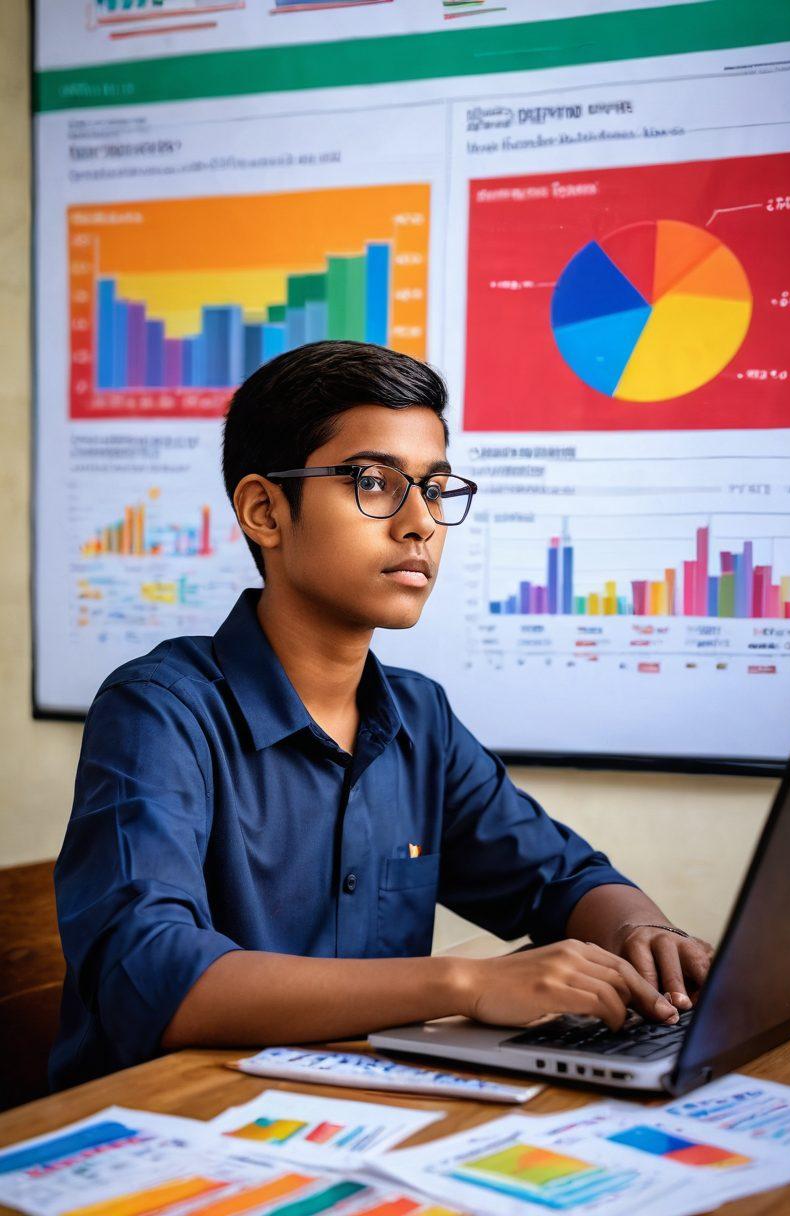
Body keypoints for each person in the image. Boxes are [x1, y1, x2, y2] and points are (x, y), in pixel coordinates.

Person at [50, 340, 713, 1089]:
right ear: (265, 510)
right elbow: (149, 973)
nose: (420, 523)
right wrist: (465, 984)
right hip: (174, 1118)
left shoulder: (419, 717)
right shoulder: (161, 712)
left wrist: (643, 933)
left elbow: (561, 879)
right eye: (373, 481)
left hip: (362, 1110)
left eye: (434, 488)